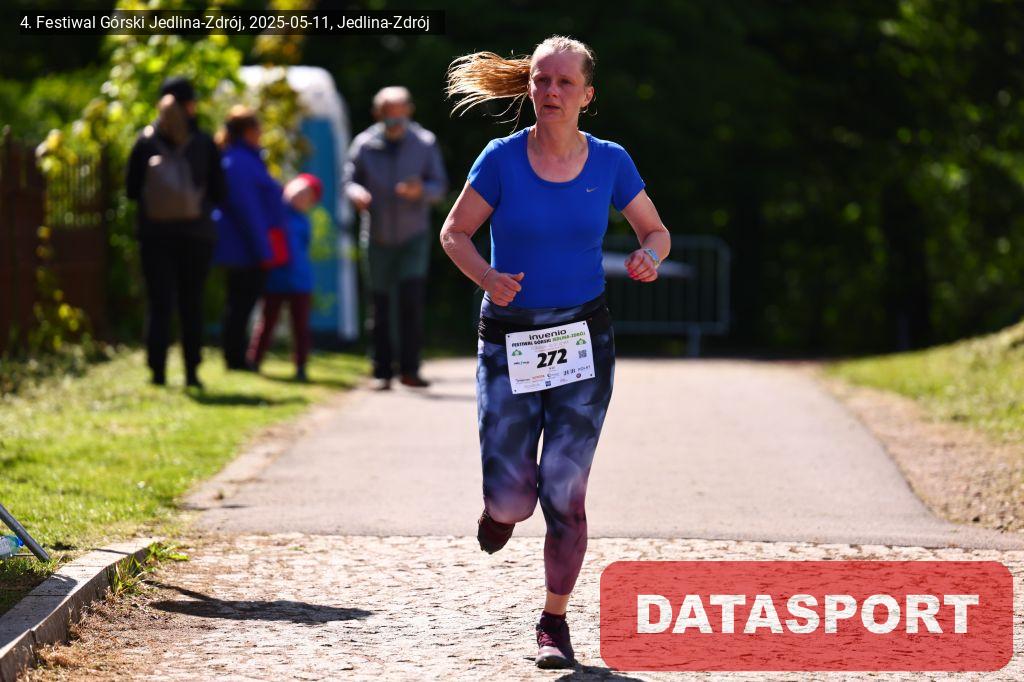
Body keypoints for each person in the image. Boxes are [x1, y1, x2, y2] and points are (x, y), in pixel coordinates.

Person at [440, 36, 671, 669]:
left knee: (565, 493)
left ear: (587, 95)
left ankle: (554, 621)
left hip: (582, 339)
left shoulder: (611, 161)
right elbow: (455, 232)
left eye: (565, 82)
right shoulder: (501, 159)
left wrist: (649, 255)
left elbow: (656, 230)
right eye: (542, 80)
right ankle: (500, 511)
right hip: (510, 337)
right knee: (513, 499)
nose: (551, 91)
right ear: (530, 87)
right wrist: (487, 277)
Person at [343, 86, 448, 390]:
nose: (395, 118)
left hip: (413, 235)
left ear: (409, 111)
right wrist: (356, 194)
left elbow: (439, 186)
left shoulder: (425, 143)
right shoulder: (364, 144)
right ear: (378, 114)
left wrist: (421, 191)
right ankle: (382, 371)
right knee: (379, 305)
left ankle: (410, 370)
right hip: (376, 236)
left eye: (400, 112)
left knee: (410, 301)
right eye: (389, 112)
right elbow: (349, 180)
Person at [126, 76, 226, 389]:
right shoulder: (204, 143)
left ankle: (157, 371)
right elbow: (220, 192)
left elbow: (131, 190)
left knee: (159, 303)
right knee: (191, 303)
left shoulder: (145, 142)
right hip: (196, 236)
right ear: (190, 105)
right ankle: (192, 372)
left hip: (154, 235)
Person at [213, 106, 286, 371]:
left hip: (247, 244)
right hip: (245, 246)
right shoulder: (239, 162)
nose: (261, 133)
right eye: (258, 128)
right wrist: (262, 248)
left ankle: (237, 355)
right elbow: (248, 209)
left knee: (241, 302)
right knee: (240, 302)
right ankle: (235, 357)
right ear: (247, 131)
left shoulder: (244, 159)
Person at [246, 173, 322, 381]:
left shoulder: (304, 222)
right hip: (275, 279)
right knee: (267, 321)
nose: (300, 197)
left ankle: (301, 365)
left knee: (301, 326)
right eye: (298, 191)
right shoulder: (275, 214)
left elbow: (304, 247)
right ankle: (254, 359)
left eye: (306, 196)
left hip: (300, 281)